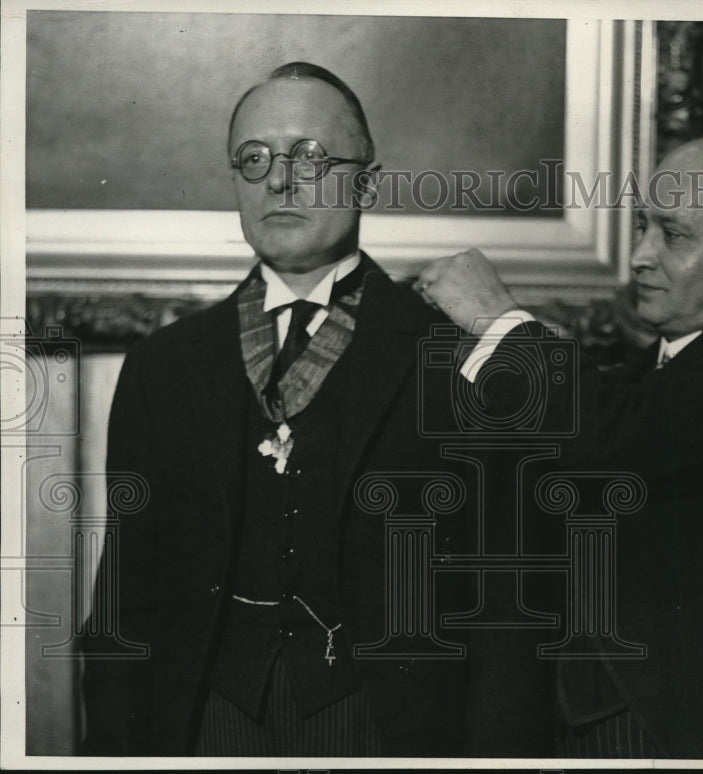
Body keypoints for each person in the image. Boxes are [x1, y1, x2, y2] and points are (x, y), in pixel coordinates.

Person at [80, 62, 502, 757]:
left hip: (388, 728)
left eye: (310, 156)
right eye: (254, 160)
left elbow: (497, 611)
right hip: (207, 723)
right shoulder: (166, 365)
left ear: (366, 180)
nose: (279, 180)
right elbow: (128, 602)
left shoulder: (445, 353)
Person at [415, 133, 703, 759]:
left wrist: (499, 319)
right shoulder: (629, 383)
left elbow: (617, 435)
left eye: (674, 234)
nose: (639, 256)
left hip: (695, 739)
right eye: (641, 227)